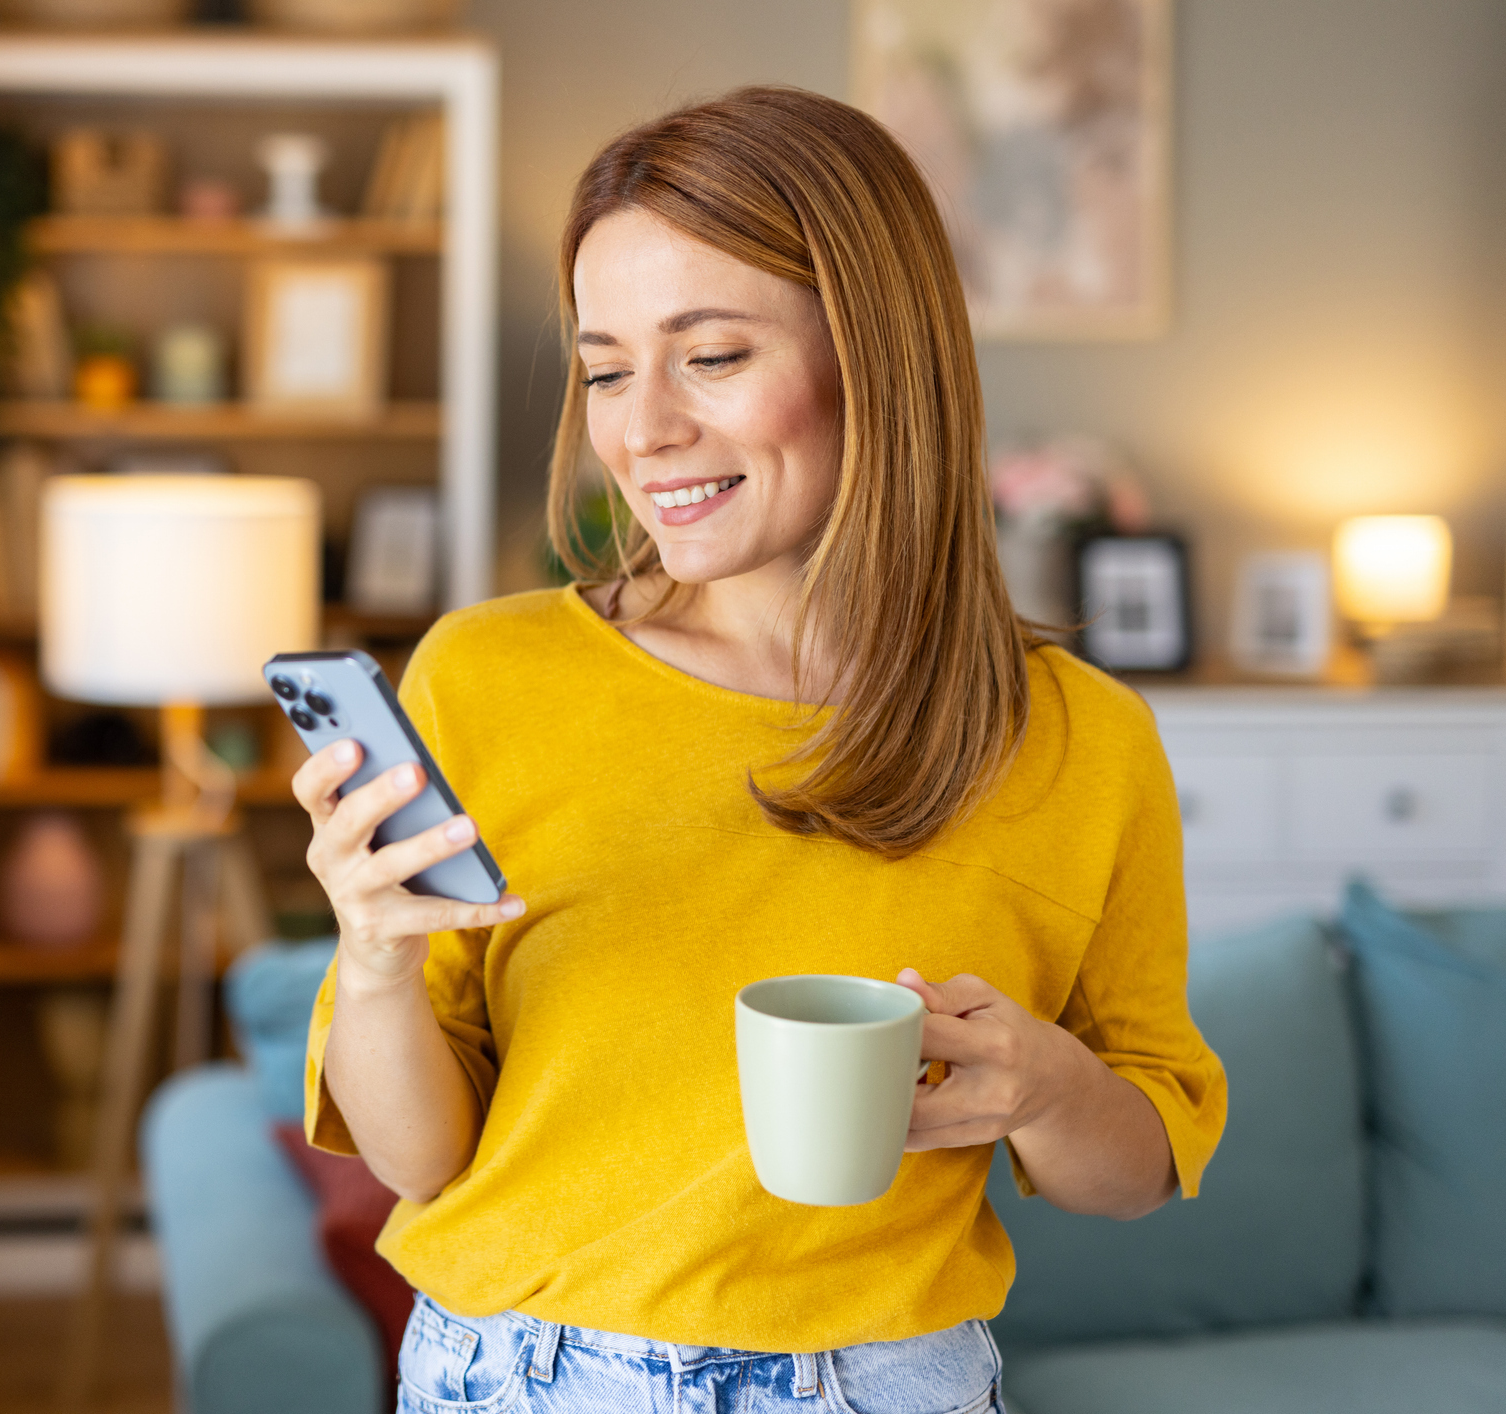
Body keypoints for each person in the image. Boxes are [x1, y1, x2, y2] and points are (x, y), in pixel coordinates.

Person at [290, 86, 1226, 1414]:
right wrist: (375, 962)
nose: (642, 428)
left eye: (711, 355)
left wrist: (1048, 1085)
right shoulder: (489, 675)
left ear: (876, 357)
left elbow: (1137, 1167)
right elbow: (419, 1155)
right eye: (608, 367)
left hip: (893, 1381)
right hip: (518, 1375)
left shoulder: (1081, 738)